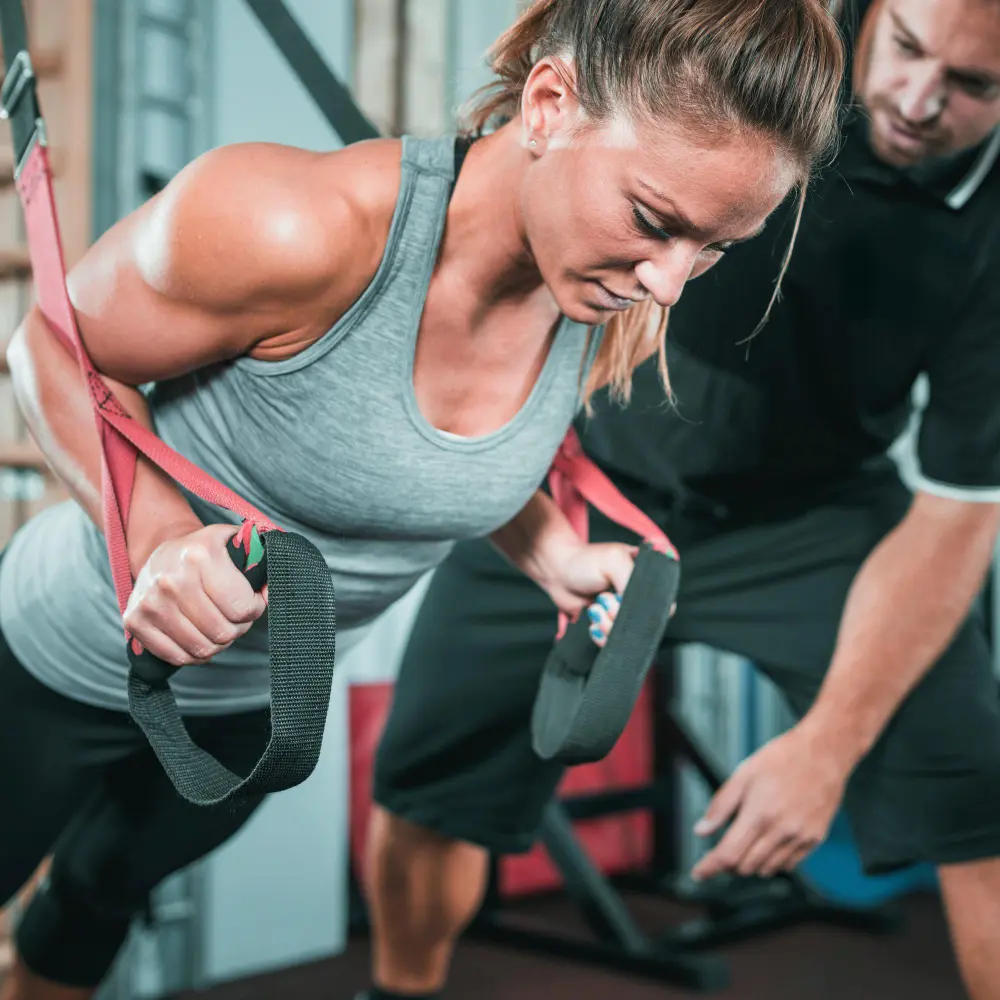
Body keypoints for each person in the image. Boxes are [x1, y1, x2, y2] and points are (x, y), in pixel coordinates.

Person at [0, 0, 845, 998]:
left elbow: (432, 457)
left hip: (248, 715)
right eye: (655, 222)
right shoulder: (293, 225)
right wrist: (158, 533)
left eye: (715, 247)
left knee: (87, 913)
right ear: (547, 104)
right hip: (62, 665)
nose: (669, 282)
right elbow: (48, 344)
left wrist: (554, 555)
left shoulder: (587, 284)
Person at [365, 0, 1000, 998]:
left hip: (816, 516)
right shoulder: (773, 46)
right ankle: (398, 990)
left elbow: (960, 511)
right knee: (426, 777)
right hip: (591, 473)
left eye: (974, 86)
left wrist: (826, 748)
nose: (920, 100)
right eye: (908, 49)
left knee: (973, 786)